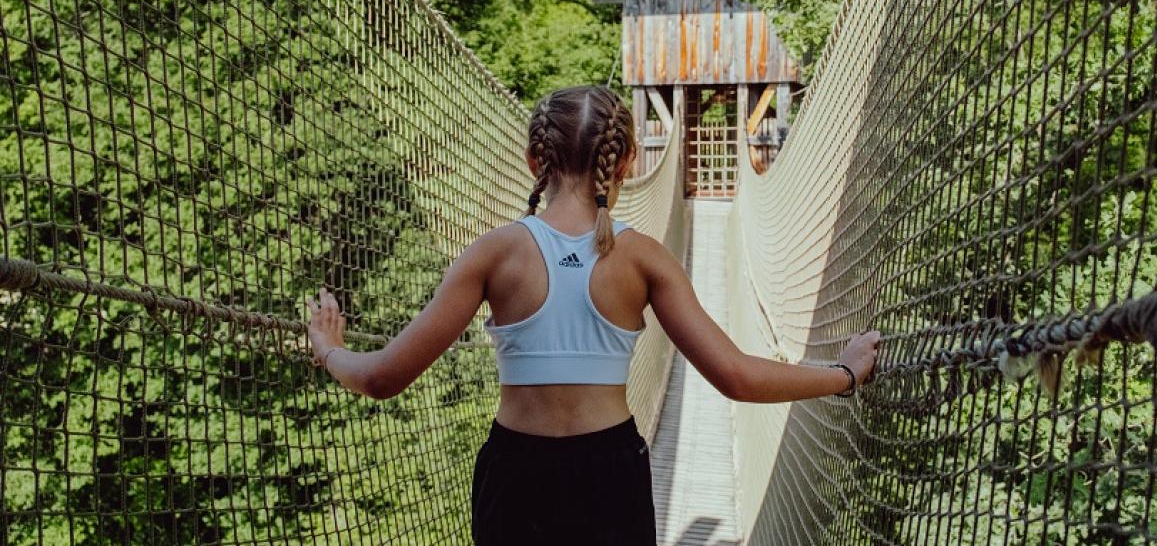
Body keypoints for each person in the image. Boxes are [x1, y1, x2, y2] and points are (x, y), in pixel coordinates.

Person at [305, 85, 881, 545]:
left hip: (515, 476)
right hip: (611, 475)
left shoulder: (496, 252)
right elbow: (735, 376)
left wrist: (329, 348)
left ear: (535, 159)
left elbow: (381, 378)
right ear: (626, 161)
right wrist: (845, 374)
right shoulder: (643, 257)